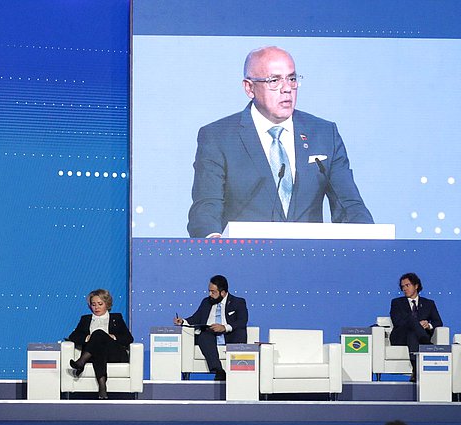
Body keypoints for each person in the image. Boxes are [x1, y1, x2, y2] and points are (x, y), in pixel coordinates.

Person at [187, 46, 372, 238]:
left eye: (292, 79)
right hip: (244, 259)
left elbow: (349, 204)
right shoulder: (218, 136)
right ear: (249, 88)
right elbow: (206, 207)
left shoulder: (324, 133)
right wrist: (212, 242)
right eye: (274, 80)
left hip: (310, 258)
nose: (286, 89)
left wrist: (369, 242)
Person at [174, 275, 248, 381]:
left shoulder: (238, 302)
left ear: (223, 292)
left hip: (228, 335)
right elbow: (196, 318)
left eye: (213, 292)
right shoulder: (206, 302)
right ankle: (218, 371)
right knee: (204, 335)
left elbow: (242, 321)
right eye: (209, 291)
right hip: (209, 335)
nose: (210, 294)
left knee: (240, 332)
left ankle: (239, 373)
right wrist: (182, 321)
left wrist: (224, 327)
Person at [67, 289, 134, 399]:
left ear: (107, 304)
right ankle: (102, 386)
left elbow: (129, 338)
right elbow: (73, 336)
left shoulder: (116, 318)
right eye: (93, 305)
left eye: (100, 304)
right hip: (95, 355)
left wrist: (114, 337)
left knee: (98, 333)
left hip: (113, 353)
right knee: (98, 346)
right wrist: (86, 338)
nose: (96, 307)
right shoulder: (86, 319)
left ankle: (81, 361)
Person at [389, 272, 443, 381]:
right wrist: (416, 324)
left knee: (413, 334)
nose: (404, 288)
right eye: (402, 286)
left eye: (407, 285)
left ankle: (415, 370)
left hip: (414, 337)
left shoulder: (429, 303)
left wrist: (428, 325)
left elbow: (438, 322)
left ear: (416, 286)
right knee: (411, 320)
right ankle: (427, 344)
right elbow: (397, 322)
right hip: (400, 337)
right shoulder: (396, 302)